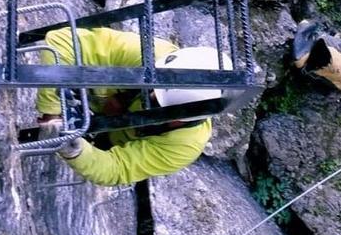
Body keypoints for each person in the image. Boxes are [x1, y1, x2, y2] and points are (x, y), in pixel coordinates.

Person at [35, 26, 230, 186]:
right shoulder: (149, 55)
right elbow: (63, 41)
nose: (152, 94)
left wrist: (76, 151)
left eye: (156, 101)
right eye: (152, 88)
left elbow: (117, 168)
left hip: (107, 145)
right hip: (91, 94)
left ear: (179, 118)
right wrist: (53, 112)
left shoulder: (185, 145)